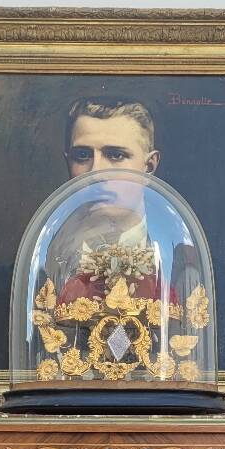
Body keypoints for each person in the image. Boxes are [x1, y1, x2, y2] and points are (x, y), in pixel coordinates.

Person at [51, 96, 163, 306]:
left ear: (148, 167)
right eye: (82, 155)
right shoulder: (34, 268)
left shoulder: (181, 267)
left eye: (116, 155)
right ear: (68, 162)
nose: (96, 173)